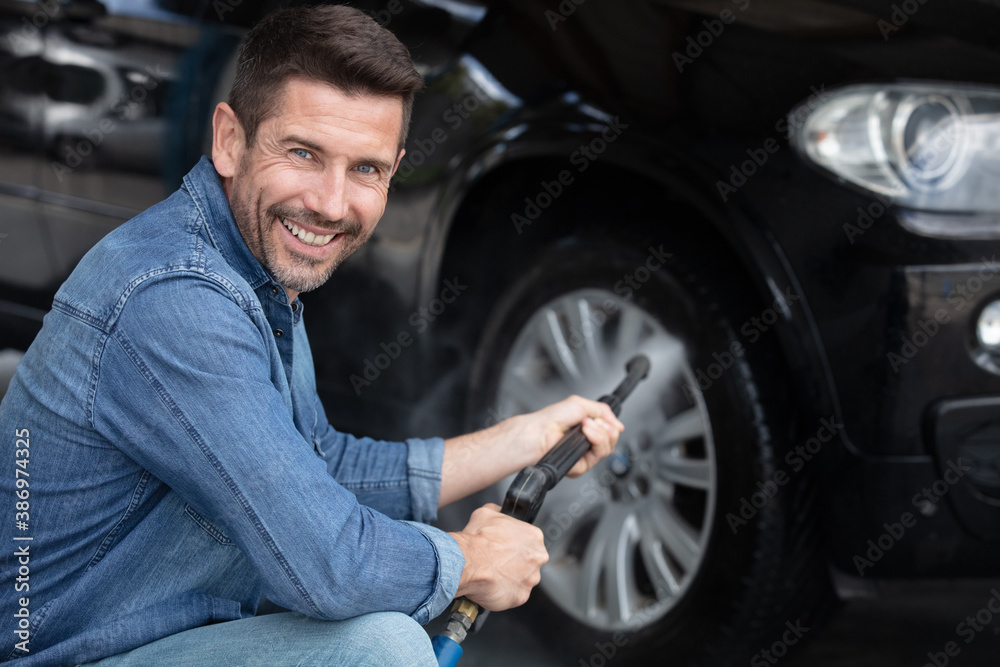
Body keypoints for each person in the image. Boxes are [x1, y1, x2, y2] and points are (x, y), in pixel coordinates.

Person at [0, 5, 623, 666]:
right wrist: (466, 558)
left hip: (150, 627)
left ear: (395, 170)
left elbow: (320, 466)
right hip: (60, 652)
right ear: (230, 141)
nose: (330, 203)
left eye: (366, 170)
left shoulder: (254, 268)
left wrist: (521, 439)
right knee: (384, 650)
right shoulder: (176, 301)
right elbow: (329, 565)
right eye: (304, 153)